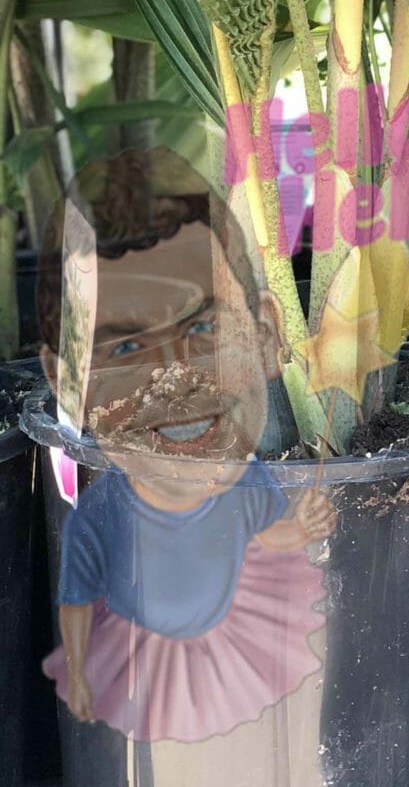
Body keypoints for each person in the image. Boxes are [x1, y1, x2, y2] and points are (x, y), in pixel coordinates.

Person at [34, 147, 333, 746]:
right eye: (126, 348)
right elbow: (78, 598)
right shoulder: (100, 512)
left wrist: (299, 529)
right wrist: (81, 670)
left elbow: (262, 535)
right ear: (67, 383)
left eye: (203, 328)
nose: (175, 377)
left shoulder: (250, 481)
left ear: (267, 335)